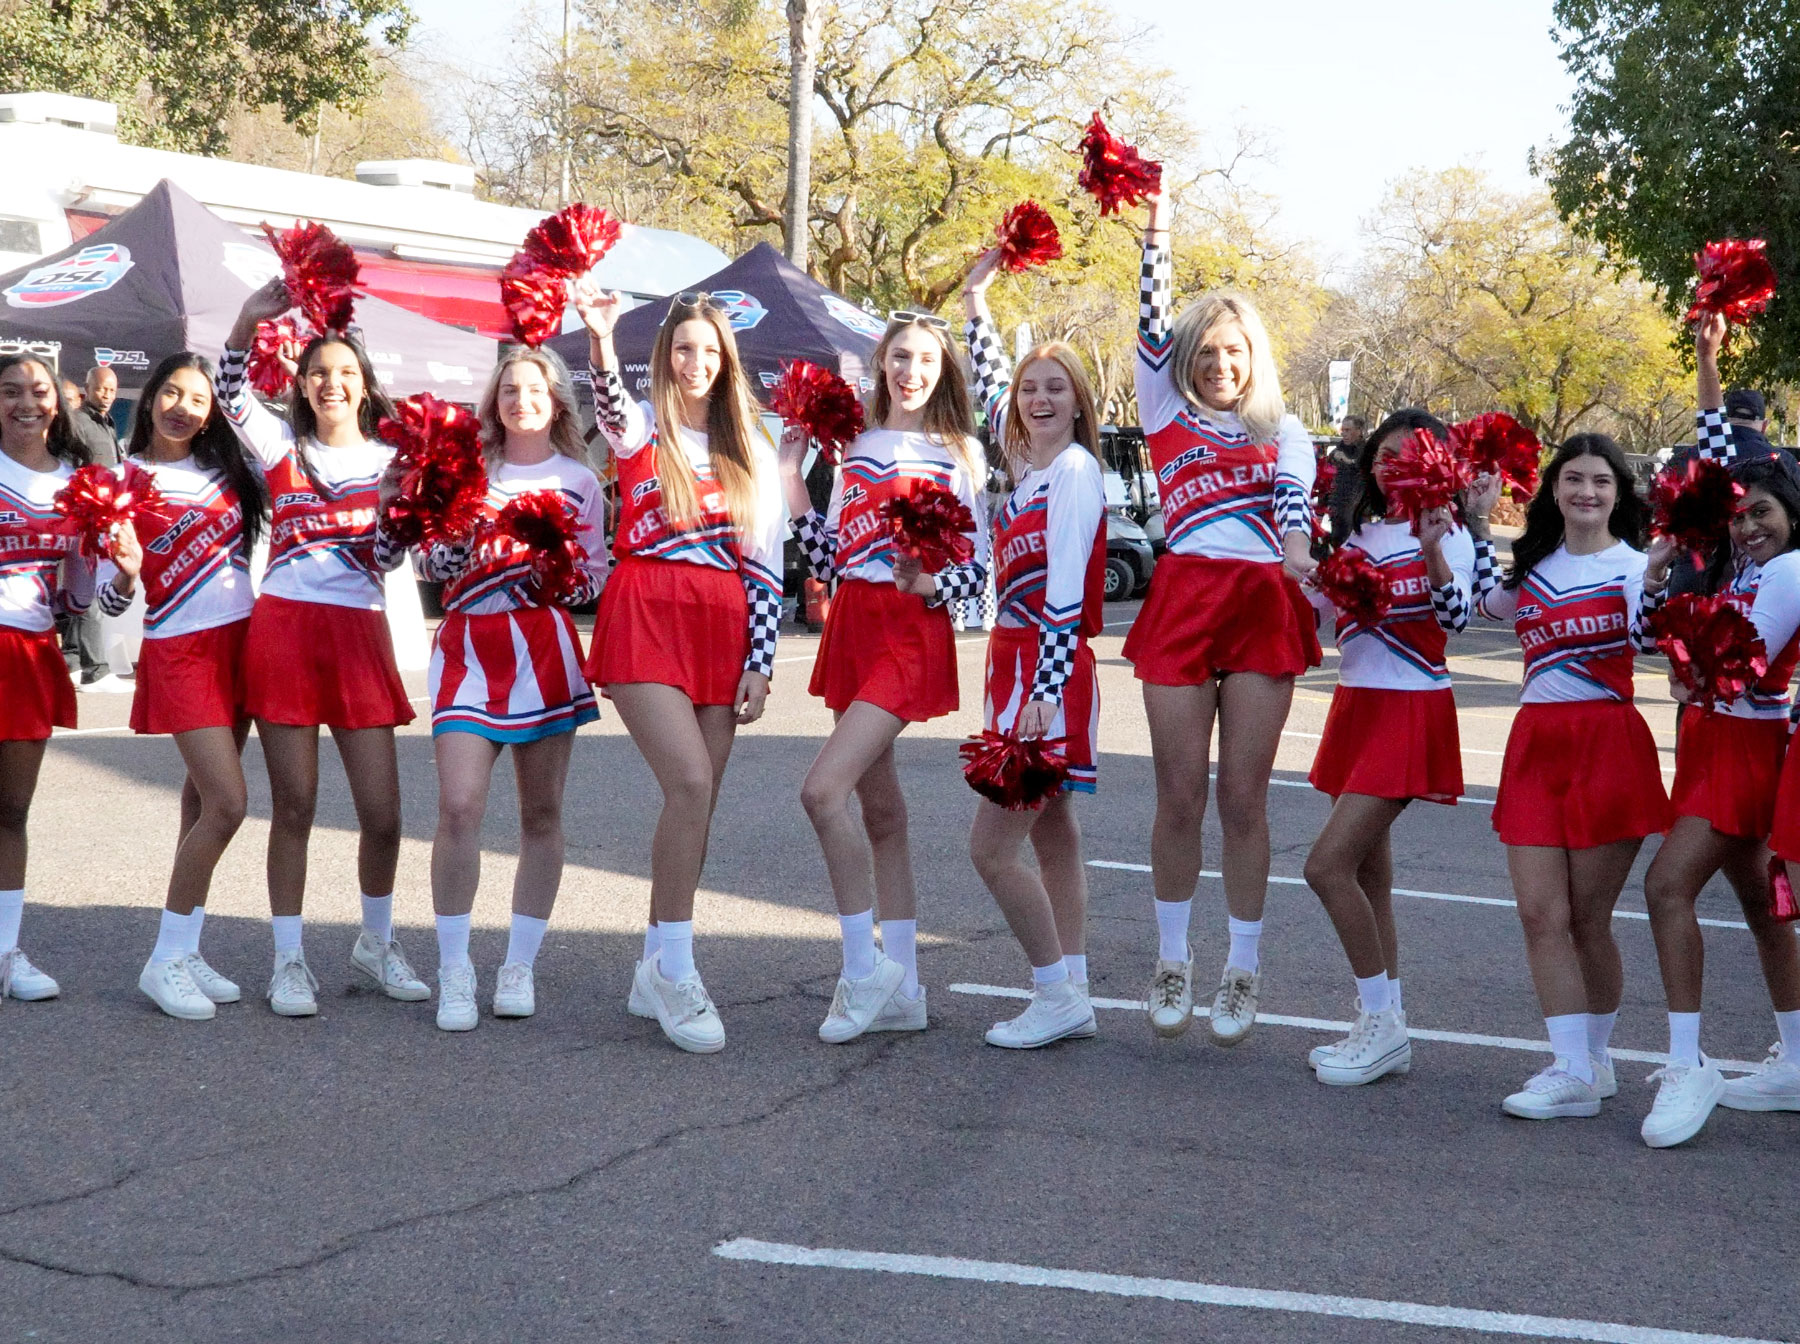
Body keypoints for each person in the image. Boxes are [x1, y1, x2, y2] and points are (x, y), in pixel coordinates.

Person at [1127, 187, 1320, 1047]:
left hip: (1259, 605)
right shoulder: (1164, 411)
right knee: (1178, 796)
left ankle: (1243, 967)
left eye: (1234, 351)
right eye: (1206, 350)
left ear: (1255, 357)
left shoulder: (1285, 430)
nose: (1219, 364)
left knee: (1244, 799)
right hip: (1183, 597)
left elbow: (1292, 511)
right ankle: (1173, 958)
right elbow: (1150, 319)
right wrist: (1157, 227)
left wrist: (1297, 552)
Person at [574, 283, 784, 1054]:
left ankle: (652, 963)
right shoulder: (640, 428)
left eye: (709, 351)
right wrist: (601, 339)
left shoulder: (752, 446)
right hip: (646, 611)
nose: (696, 362)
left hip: (722, 622)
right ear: (665, 358)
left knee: (698, 804)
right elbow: (607, 402)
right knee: (690, 784)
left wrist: (761, 661)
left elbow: (767, 564)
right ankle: (677, 970)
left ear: (728, 362)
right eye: (683, 349)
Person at [218, 278, 427, 1018]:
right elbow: (230, 393)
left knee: (384, 814)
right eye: (318, 374)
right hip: (286, 631)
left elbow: (387, 559)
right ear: (302, 386)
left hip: (359, 633)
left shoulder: (392, 460)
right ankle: (288, 960)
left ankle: (376, 944)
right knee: (296, 807)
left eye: (344, 373)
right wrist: (247, 320)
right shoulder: (282, 446)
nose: (331, 383)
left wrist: (399, 516)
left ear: (364, 385)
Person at [779, 309, 988, 1045]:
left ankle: (863, 970)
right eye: (900, 357)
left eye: (926, 359)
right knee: (883, 815)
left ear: (943, 370)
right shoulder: (858, 446)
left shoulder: (958, 452)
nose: (911, 371)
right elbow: (829, 555)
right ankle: (906, 990)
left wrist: (931, 584)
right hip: (853, 624)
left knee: (821, 791)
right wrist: (791, 476)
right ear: (881, 365)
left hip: (907, 628)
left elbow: (979, 571)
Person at [1631, 309, 1800, 1146]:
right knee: (1765, 911)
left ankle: (1687, 1063)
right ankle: (1797, 1061)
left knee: (1667, 889)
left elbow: (1742, 662)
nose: (1747, 524)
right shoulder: (1747, 563)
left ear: (1792, 513)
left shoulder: (1791, 568)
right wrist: (1705, 356)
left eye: (1762, 511)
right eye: (1739, 516)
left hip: (1740, 741)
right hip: (1715, 738)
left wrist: (1690, 660)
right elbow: (1714, 448)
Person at [407, 346, 607, 1032]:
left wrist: (558, 569)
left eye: (535, 390)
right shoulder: (466, 470)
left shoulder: (579, 481)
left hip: (541, 647)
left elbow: (593, 579)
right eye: (510, 389)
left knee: (540, 814)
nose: (522, 400)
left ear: (557, 402)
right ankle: (454, 968)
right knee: (459, 806)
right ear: (494, 400)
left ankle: (518, 965)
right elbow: (428, 563)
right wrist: (456, 531)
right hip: (467, 645)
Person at [1474, 434, 1670, 1121]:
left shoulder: (1635, 566)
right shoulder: (1533, 566)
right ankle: (1570, 1067)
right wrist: (1475, 523)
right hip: (1535, 744)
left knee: (1588, 920)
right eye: (1574, 479)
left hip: (1606, 745)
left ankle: (1593, 1059)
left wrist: (1655, 582)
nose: (1587, 491)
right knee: (1539, 914)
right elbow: (1474, 607)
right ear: (1554, 490)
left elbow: (1647, 639)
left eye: (1601, 481)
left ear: (1619, 494)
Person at [1302, 410, 1502, 1084]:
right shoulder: (1358, 533)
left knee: (1325, 867)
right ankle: (1383, 1020)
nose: (1394, 466)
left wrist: (1432, 550)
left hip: (1410, 707)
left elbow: (1457, 619)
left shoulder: (1450, 532)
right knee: (1368, 876)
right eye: (1385, 454)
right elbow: (1321, 619)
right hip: (1355, 705)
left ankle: (1382, 1022)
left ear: (1437, 465)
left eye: (1410, 455)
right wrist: (1300, 566)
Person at [97, 354, 270, 1020]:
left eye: (198, 400)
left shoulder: (229, 470)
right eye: (172, 392)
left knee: (200, 802)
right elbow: (106, 602)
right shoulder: (121, 481)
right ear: (149, 399)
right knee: (228, 803)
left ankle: (188, 946)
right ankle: (164, 958)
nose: (183, 408)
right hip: (180, 651)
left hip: (241, 643)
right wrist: (126, 574)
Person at [961, 249, 1103, 1048]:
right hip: (1015, 664)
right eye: (1030, 389)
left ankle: (1054, 993)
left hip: (1045, 670)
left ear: (1080, 402)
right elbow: (990, 388)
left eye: (1056, 388)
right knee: (1052, 833)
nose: (1038, 399)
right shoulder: (1026, 466)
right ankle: (1072, 984)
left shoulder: (1075, 471)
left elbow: (1068, 594)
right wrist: (976, 300)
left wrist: (1044, 691)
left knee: (990, 849)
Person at [0, 354, 94, 1001]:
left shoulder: (76, 485)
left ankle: (6, 952)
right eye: (10, 392)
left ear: (57, 402)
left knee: (11, 810)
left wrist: (111, 562)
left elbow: (79, 599)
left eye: (38, 391)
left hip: (31, 652)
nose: (26, 403)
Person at [60, 368, 126, 692]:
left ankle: (72, 659)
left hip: (106, 516)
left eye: (112, 390)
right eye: (101, 389)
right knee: (91, 589)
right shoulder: (77, 423)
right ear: (88, 388)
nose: (107, 395)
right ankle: (95, 669)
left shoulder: (107, 423)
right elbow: (65, 466)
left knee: (85, 588)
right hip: (85, 518)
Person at [1325, 415, 1366, 541]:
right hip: (1338, 502)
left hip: (1356, 504)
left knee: (1353, 540)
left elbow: (1363, 466)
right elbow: (1329, 460)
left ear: (1359, 431)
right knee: (1336, 539)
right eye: (1343, 430)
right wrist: (1334, 456)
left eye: (1348, 430)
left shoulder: (1367, 448)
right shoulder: (1341, 446)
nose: (1344, 433)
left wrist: (1348, 461)